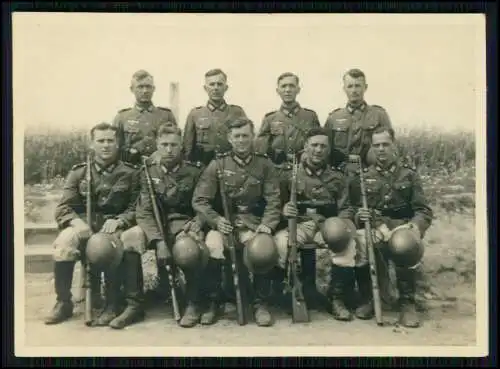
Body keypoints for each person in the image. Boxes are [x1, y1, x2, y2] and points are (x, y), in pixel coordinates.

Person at [44, 122, 141, 328]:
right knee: (64, 242)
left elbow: (136, 207)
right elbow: (63, 207)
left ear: (118, 143)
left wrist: (120, 220)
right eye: (101, 141)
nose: (105, 145)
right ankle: (63, 301)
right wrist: (76, 222)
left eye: (110, 141)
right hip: (85, 225)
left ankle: (114, 302)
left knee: (121, 242)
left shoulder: (131, 173)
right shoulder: (79, 173)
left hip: (113, 227)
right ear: (92, 144)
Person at [338, 126, 434, 327]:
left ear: (393, 145)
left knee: (403, 244)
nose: (381, 149)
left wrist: (415, 228)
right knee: (362, 242)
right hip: (375, 226)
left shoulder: (408, 175)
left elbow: (423, 210)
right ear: (372, 148)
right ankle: (370, 298)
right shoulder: (361, 178)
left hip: (401, 227)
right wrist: (357, 216)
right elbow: (349, 209)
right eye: (376, 145)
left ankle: (407, 303)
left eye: (385, 144)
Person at [192, 117, 282, 327]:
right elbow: (200, 200)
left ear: (253, 137)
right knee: (212, 246)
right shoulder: (218, 164)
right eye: (237, 136)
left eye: (246, 136)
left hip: (253, 222)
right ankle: (215, 302)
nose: (241, 140)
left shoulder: (264, 164)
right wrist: (216, 220)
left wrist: (267, 224)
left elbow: (274, 199)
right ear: (229, 139)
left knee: (262, 248)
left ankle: (260, 303)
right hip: (224, 223)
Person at [121, 124, 211, 328]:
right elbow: (143, 211)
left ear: (181, 146)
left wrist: (198, 221)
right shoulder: (146, 171)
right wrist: (158, 241)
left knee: (188, 249)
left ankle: (193, 302)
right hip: (154, 224)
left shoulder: (195, 171)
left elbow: (204, 203)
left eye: (174, 145)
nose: (169, 150)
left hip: (183, 225)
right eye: (164, 145)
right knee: (130, 238)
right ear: (157, 145)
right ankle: (134, 303)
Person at [254, 72, 322, 306]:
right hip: (276, 179)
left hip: (303, 177)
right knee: (279, 227)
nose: (288, 90)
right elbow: (261, 152)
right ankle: (275, 285)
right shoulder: (270, 119)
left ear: (298, 89)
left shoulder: (310, 117)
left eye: (292, 86)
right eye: (283, 86)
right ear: (277, 90)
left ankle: (308, 287)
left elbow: (319, 146)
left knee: (302, 225)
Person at [274, 128, 354, 314]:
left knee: (346, 244)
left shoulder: (337, 178)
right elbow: (274, 203)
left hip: (326, 225)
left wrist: (341, 227)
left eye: (323, 146)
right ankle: (283, 292)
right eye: (314, 145)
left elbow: (345, 208)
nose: (318, 150)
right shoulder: (289, 175)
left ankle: (337, 298)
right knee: (280, 244)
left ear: (328, 149)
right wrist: (284, 210)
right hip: (299, 224)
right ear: (305, 147)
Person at [324, 68, 393, 169]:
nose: (354, 90)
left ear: (365, 87)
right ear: (344, 89)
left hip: (371, 171)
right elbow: (326, 149)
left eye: (358, 86)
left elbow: (390, 147)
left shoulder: (379, 115)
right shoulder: (334, 118)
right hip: (340, 171)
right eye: (350, 86)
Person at [183, 68, 248, 166]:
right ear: (205, 88)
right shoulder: (195, 114)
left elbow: (246, 142)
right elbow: (188, 148)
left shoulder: (237, 112)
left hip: (231, 167)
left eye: (220, 84)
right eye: (212, 84)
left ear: (226, 88)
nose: (216, 88)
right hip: (203, 168)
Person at [112, 70, 178, 166]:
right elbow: (115, 147)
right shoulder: (122, 117)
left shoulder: (166, 115)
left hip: (160, 168)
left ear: (153, 89)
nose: (145, 91)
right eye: (140, 87)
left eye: (148, 86)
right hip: (131, 168)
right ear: (132, 89)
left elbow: (175, 143)